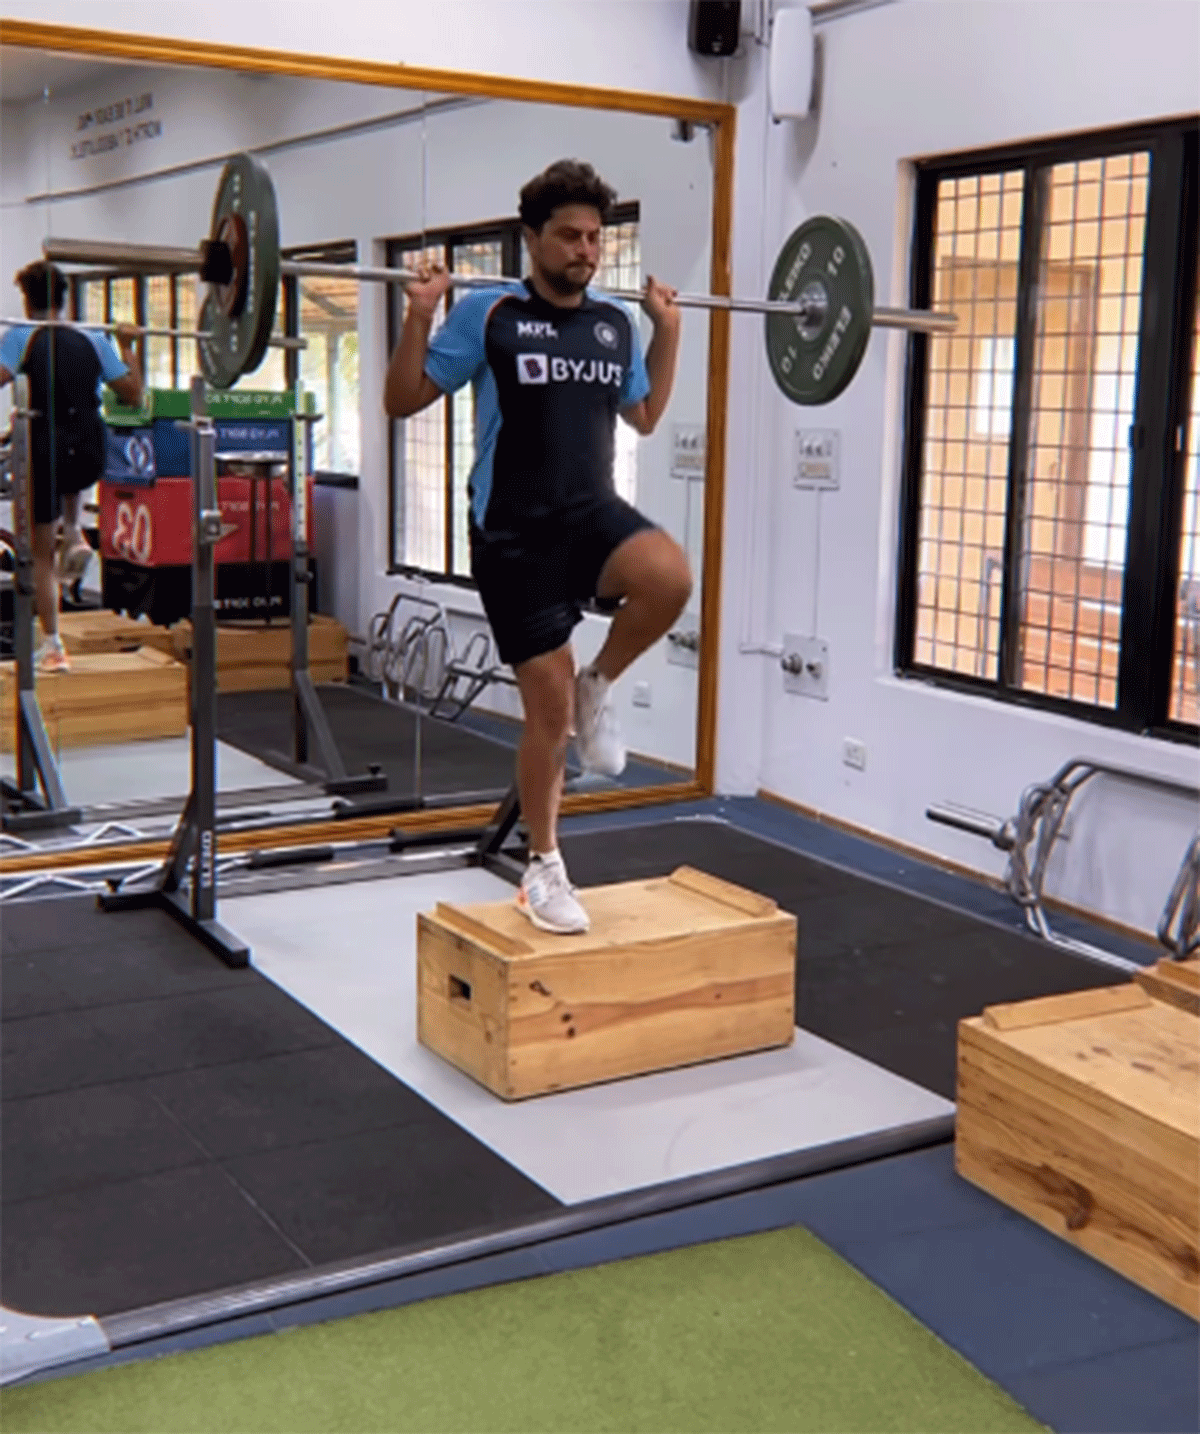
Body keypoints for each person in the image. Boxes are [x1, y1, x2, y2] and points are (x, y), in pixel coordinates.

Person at [385, 159, 692, 935]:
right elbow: (402, 399)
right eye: (569, 236)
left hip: (590, 514)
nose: (585, 250)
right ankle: (545, 864)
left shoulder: (613, 323)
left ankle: (603, 680)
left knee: (669, 577)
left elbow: (646, 414)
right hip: (512, 532)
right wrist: (419, 315)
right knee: (547, 717)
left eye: (595, 237)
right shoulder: (489, 313)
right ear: (532, 239)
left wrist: (671, 332)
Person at [0, 260, 143, 672]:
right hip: (90, 447)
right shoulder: (94, 337)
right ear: (64, 299)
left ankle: (54, 645)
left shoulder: (20, 335)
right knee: (73, 466)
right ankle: (76, 529)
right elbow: (133, 394)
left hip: (45, 448)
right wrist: (128, 345)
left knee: (40, 556)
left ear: (28, 301)